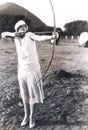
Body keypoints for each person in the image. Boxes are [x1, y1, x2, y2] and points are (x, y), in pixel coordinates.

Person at [1, 20, 59, 128]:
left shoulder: (30, 35)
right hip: (22, 70)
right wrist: (14, 34)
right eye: (20, 27)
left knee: (32, 94)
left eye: (24, 27)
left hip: (32, 69)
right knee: (25, 94)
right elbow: (3, 34)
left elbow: (40, 38)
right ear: (17, 30)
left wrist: (52, 36)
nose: (23, 28)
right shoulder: (16, 38)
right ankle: (26, 116)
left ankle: (32, 117)